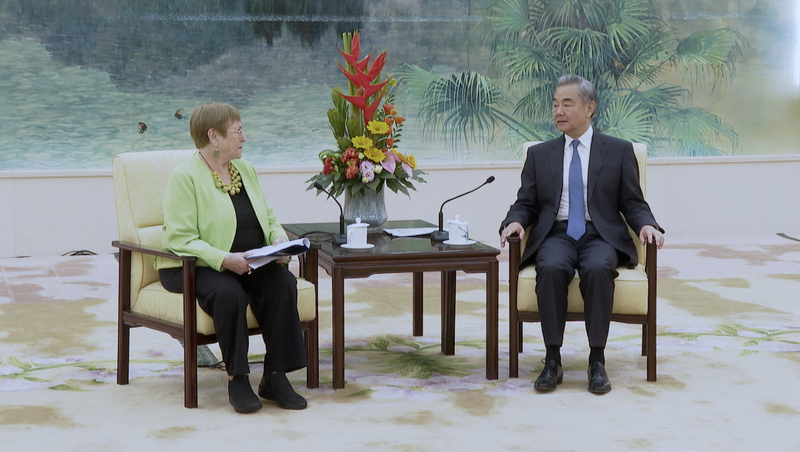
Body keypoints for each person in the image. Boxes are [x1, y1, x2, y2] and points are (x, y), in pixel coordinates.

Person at [500, 75, 665, 395]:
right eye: (555, 104)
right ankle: (552, 359)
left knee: (598, 269)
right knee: (550, 268)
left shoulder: (618, 151)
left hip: (599, 235)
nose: (558, 111)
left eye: (567, 104)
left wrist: (648, 225)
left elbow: (633, 202)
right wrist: (514, 222)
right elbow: (526, 203)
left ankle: (597, 360)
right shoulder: (540, 154)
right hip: (556, 234)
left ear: (590, 108)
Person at [155, 102, 308, 413]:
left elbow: (268, 216)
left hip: (250, 261)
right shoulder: (185, 177)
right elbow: (180, 239)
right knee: (229, 293)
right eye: (238, 131)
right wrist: (225, 259)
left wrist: (277, 239)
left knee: (283, 283)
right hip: (196, 264)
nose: (244, 138)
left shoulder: (245, 170)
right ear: (214, 136)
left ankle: (275, 377)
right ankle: (237, 378)